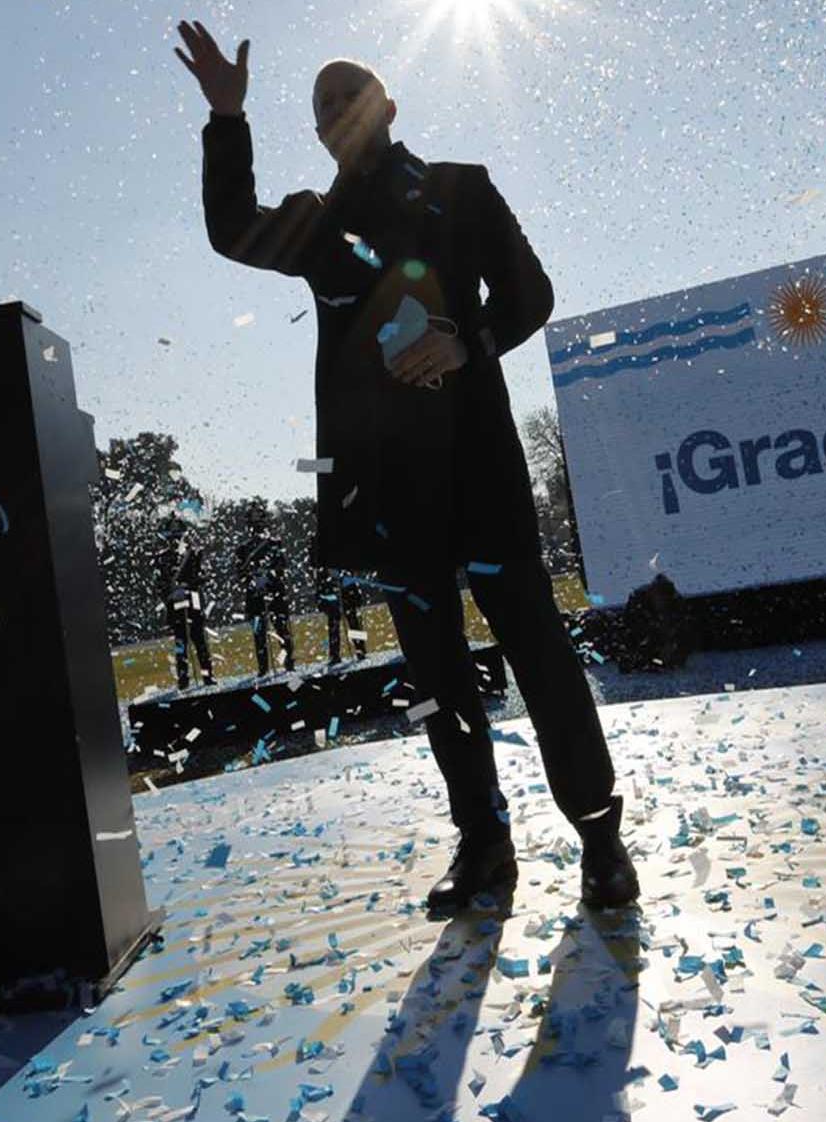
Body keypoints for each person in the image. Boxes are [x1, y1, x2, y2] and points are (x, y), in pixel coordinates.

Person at [175, 21, 637, 912]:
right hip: (383, 486)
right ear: (313, 133)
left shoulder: (463, 189)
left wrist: (469, 345)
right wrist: (227, 118)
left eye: (349, 94)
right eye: (319, 106)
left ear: (387, 105)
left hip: (479, 464)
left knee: (537, 652)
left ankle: (598, 837)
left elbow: (531, 296)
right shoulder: (313, 225)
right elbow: (231, 228)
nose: (334, 110)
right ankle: (482, 849)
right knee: (434, 677)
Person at [234, 504, 294, 676]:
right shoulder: (242, 549)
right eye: (254, 524)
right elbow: (240, 574)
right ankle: (263, 668)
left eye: (259, 523)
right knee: (259, 634)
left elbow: (282, 566)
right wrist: (253, 582)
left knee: (282, 631)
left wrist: (269, 577)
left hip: (274, 592)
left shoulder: (275, 543)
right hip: (255, 595)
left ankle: (287, 663)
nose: (257, 527)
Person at [165, 528, 217, 689]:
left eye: (179, 537)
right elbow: (160, 582)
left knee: (200, 641)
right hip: (176, 602)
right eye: (173, 537)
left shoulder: (194, 555)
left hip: (193, 599)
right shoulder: (164, 558)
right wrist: (172, 592)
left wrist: (191, 584)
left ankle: (207, 676)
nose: (176, 540)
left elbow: (205, 575)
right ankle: (183, 679)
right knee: (181, 644)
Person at [317, 565, 368, 665]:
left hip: (347, 594)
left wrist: (356, 596)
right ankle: (334, 655)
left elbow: (352, 579)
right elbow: (321, 583)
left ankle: (361, 650)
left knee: (354, 623)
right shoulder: (323, 568)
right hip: (332, 596)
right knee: (334, 626)